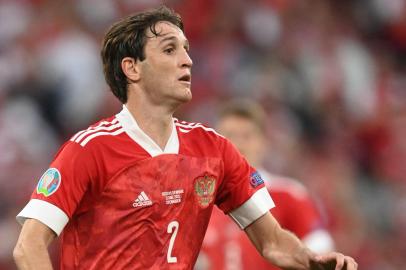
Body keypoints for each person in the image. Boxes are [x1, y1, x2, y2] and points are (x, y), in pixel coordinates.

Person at [13, 6, 357, 270]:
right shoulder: (89, 150)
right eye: (169, 50)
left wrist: (311, 261)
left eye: (187, 49)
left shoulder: (214, 150)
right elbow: (28, 247)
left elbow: (274, 244)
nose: (187, 60)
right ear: (132, 68)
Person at [196, 100, 335, 270]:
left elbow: (321, 253)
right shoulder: (200, 201)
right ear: (217, 145)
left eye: (247, 136)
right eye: (230, 136)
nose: (238, 144)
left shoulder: (289, 195)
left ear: (263, 143)